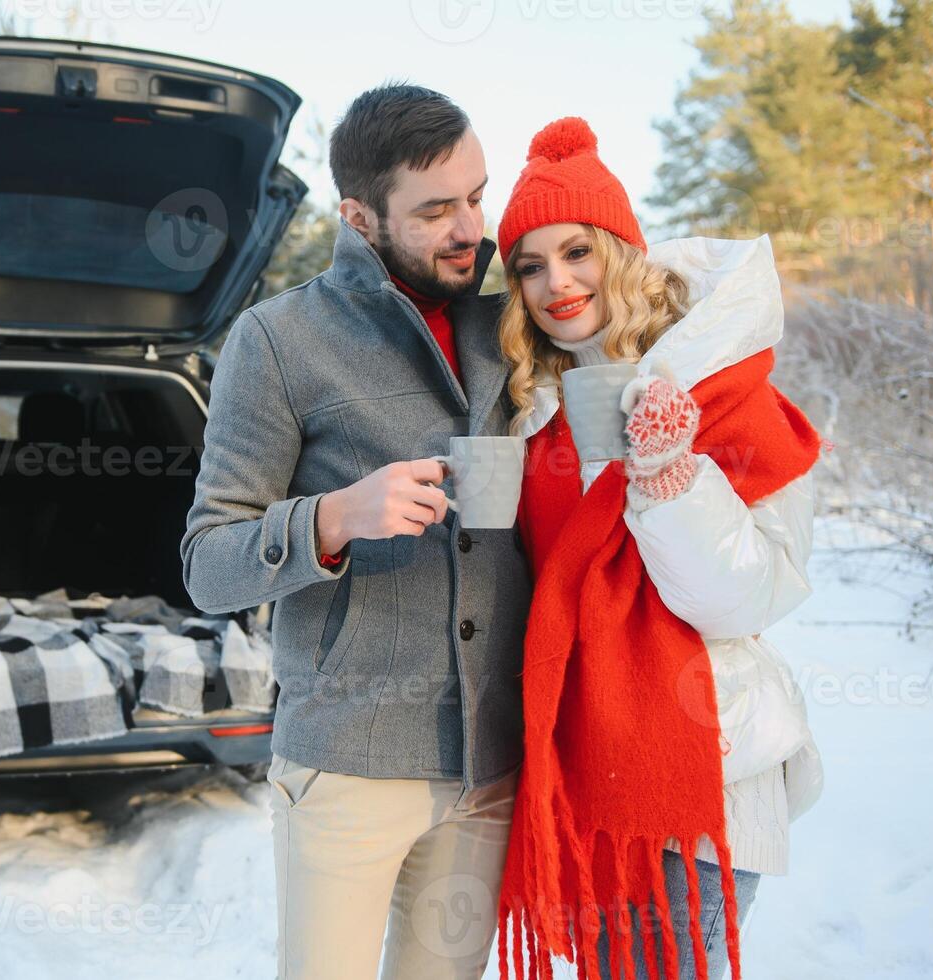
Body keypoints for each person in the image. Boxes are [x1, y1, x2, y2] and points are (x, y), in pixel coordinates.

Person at [180, 83, 532, 979]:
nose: (469, 229)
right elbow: (208, 565)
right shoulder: (277, 341)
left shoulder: (511, 329)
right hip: (347, 764)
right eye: (436, 210)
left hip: (488, 761)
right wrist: (335, 518)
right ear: (358, 215)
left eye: (477, 196)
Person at [490, 117, 826, 980]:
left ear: (621, 250)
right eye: (529, 265)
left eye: (576, 252)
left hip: (693, 772)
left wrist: (672, 478)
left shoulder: (730, 399)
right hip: (577, 774)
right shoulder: (531, 408)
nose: (554, 283)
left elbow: (742, 599)